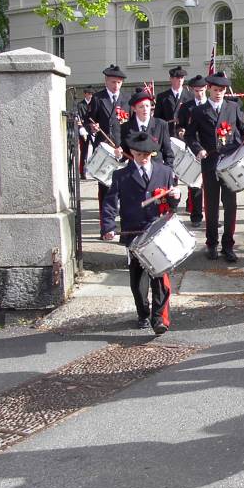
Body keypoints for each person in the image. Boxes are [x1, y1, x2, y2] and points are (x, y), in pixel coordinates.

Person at [101, 131, 180, 335]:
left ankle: (159, 319)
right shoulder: (121, 175)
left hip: (157, 232)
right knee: (138, 283)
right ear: (132, 153)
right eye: (139, 154)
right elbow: (110, 203)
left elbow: (171, 204)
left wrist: (176, 197)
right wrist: (108, 227)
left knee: (160, 277)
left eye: (147, 154)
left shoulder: (164, 171)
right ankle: (143, 313)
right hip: (133, 233)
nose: (143, 158)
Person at [184, 71, 244, 263]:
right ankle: (211, 244)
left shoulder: (233, 107)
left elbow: (242, 127)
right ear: (209, 89)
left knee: (231, 205)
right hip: (210, 163)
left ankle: (228, 245)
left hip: (230, 163)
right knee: (212, 206)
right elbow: (190, 136)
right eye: (215, 90)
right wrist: (198, 149)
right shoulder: (199, 111)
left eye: (222, 90)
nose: (218, 93)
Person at [85, 65, 128, 230]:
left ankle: (124, 226)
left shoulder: (126, 99)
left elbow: (129, 125)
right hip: (104, 148)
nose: (116, 85)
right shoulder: (98, 98)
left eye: (118, 82)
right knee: (105, 188)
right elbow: (90, 119)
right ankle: (106, 228)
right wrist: (92, 127)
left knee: (123, 189)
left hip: (121, 148)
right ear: (106, 81)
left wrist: (124, 147)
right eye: (113, 82)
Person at [176, 74, 208, 227]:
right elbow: (180, 125)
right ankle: (196, 215)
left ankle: (211, 215)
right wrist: (181, 130)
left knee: (210, 186)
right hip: (193, 148)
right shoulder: (186, 107)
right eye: (196, 91)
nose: (199, 93)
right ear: (192, 90)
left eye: (201, 90)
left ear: (206, 89)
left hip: (210, 148)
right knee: (195, 183)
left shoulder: (211, 104)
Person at [120, 88, 174, 166]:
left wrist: (167, 172)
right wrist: (119, 155)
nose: (145, 109)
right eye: (141, 107)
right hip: (135, 171)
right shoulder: (126, 127)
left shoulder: (161, 124)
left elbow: (168, 153)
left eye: (147, 106)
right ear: (134, 109)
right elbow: (124, 154)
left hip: (156, 170)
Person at [154, 66, 192, 138]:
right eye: (177, 78)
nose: (180, 80)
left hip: (185, 134)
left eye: (182, 78)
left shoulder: (190, 96)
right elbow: (157, 119)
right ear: (171, 79)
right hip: (167, 133)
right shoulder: (162, 97)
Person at [74, 87, 94, 178]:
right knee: (84, 152)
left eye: (91, 94)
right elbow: (78, 117)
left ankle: (94, 171)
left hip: (93, 129)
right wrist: (81, 128)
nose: (90, 95)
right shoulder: (80, 105)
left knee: (96, 150)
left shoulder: (94, 104)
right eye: (89, 93)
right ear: (85, 94)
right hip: (84, 130)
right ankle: (82, 172)